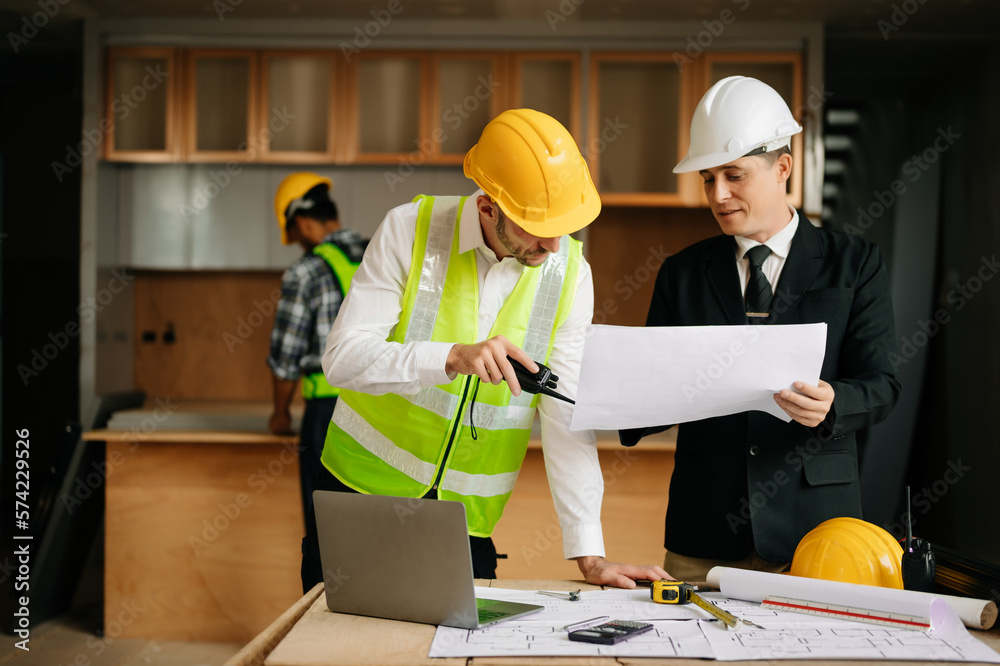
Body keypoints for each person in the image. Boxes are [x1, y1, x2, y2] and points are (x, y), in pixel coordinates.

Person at [302, 108, 669, 592]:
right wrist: (451, 357)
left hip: (465, 525)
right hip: (358, 497)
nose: (554, 245)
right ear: (487, 206)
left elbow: (564, 416)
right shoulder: (409, 230)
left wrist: (591, 558)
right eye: (537, 226)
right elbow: (343, 358)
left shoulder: (571, 275)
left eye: (563, 227)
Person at [621, 77, 900, 581]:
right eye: (708, 179)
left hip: (816, 533)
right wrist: (617, 394)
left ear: (783, 168)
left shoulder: (854, 265)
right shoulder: (682, 273)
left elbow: (883, 386)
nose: (719, 194)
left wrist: (835, 401)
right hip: (702, 533)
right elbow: (647, 391)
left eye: (734, 174)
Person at [267, 172, 367, 527]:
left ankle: (325, 585)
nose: (297, 243)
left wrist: (280, 414)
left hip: (327, 415)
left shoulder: (305, 272)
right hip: (385, 411)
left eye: (293, 234)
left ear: (303, 221)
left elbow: (286, 358)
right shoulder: (381, 257)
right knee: (376, 522)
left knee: (325, 529)